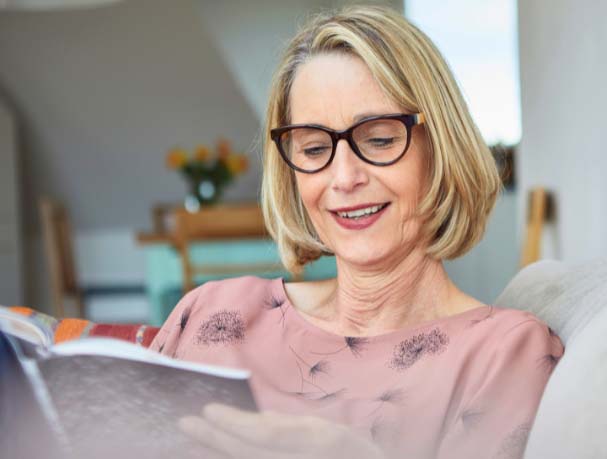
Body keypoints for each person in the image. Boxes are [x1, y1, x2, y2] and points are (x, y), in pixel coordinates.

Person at [150, 6, 564, 459]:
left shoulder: (504, 353)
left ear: (441, 147)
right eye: (313, 148)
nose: (344, 178)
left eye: (380, 140)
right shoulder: (211, 313)